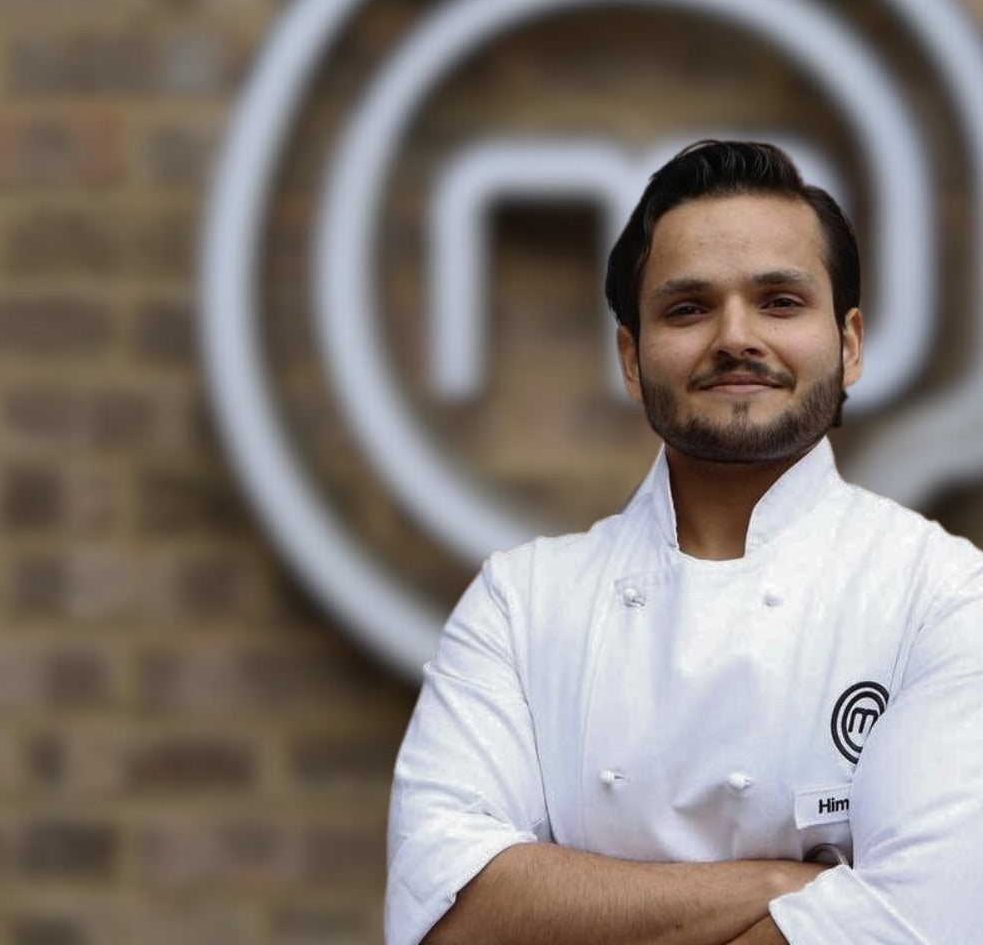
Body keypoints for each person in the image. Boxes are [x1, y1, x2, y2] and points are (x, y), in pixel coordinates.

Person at [385, 140, 983, 945]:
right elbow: (449, 918)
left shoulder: (944, 596)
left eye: (779, 301)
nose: (736, 336)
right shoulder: (522, 604)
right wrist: (786, 885)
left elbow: (921, 923)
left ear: (849, 345)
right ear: (631, 359)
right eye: (688, 308)